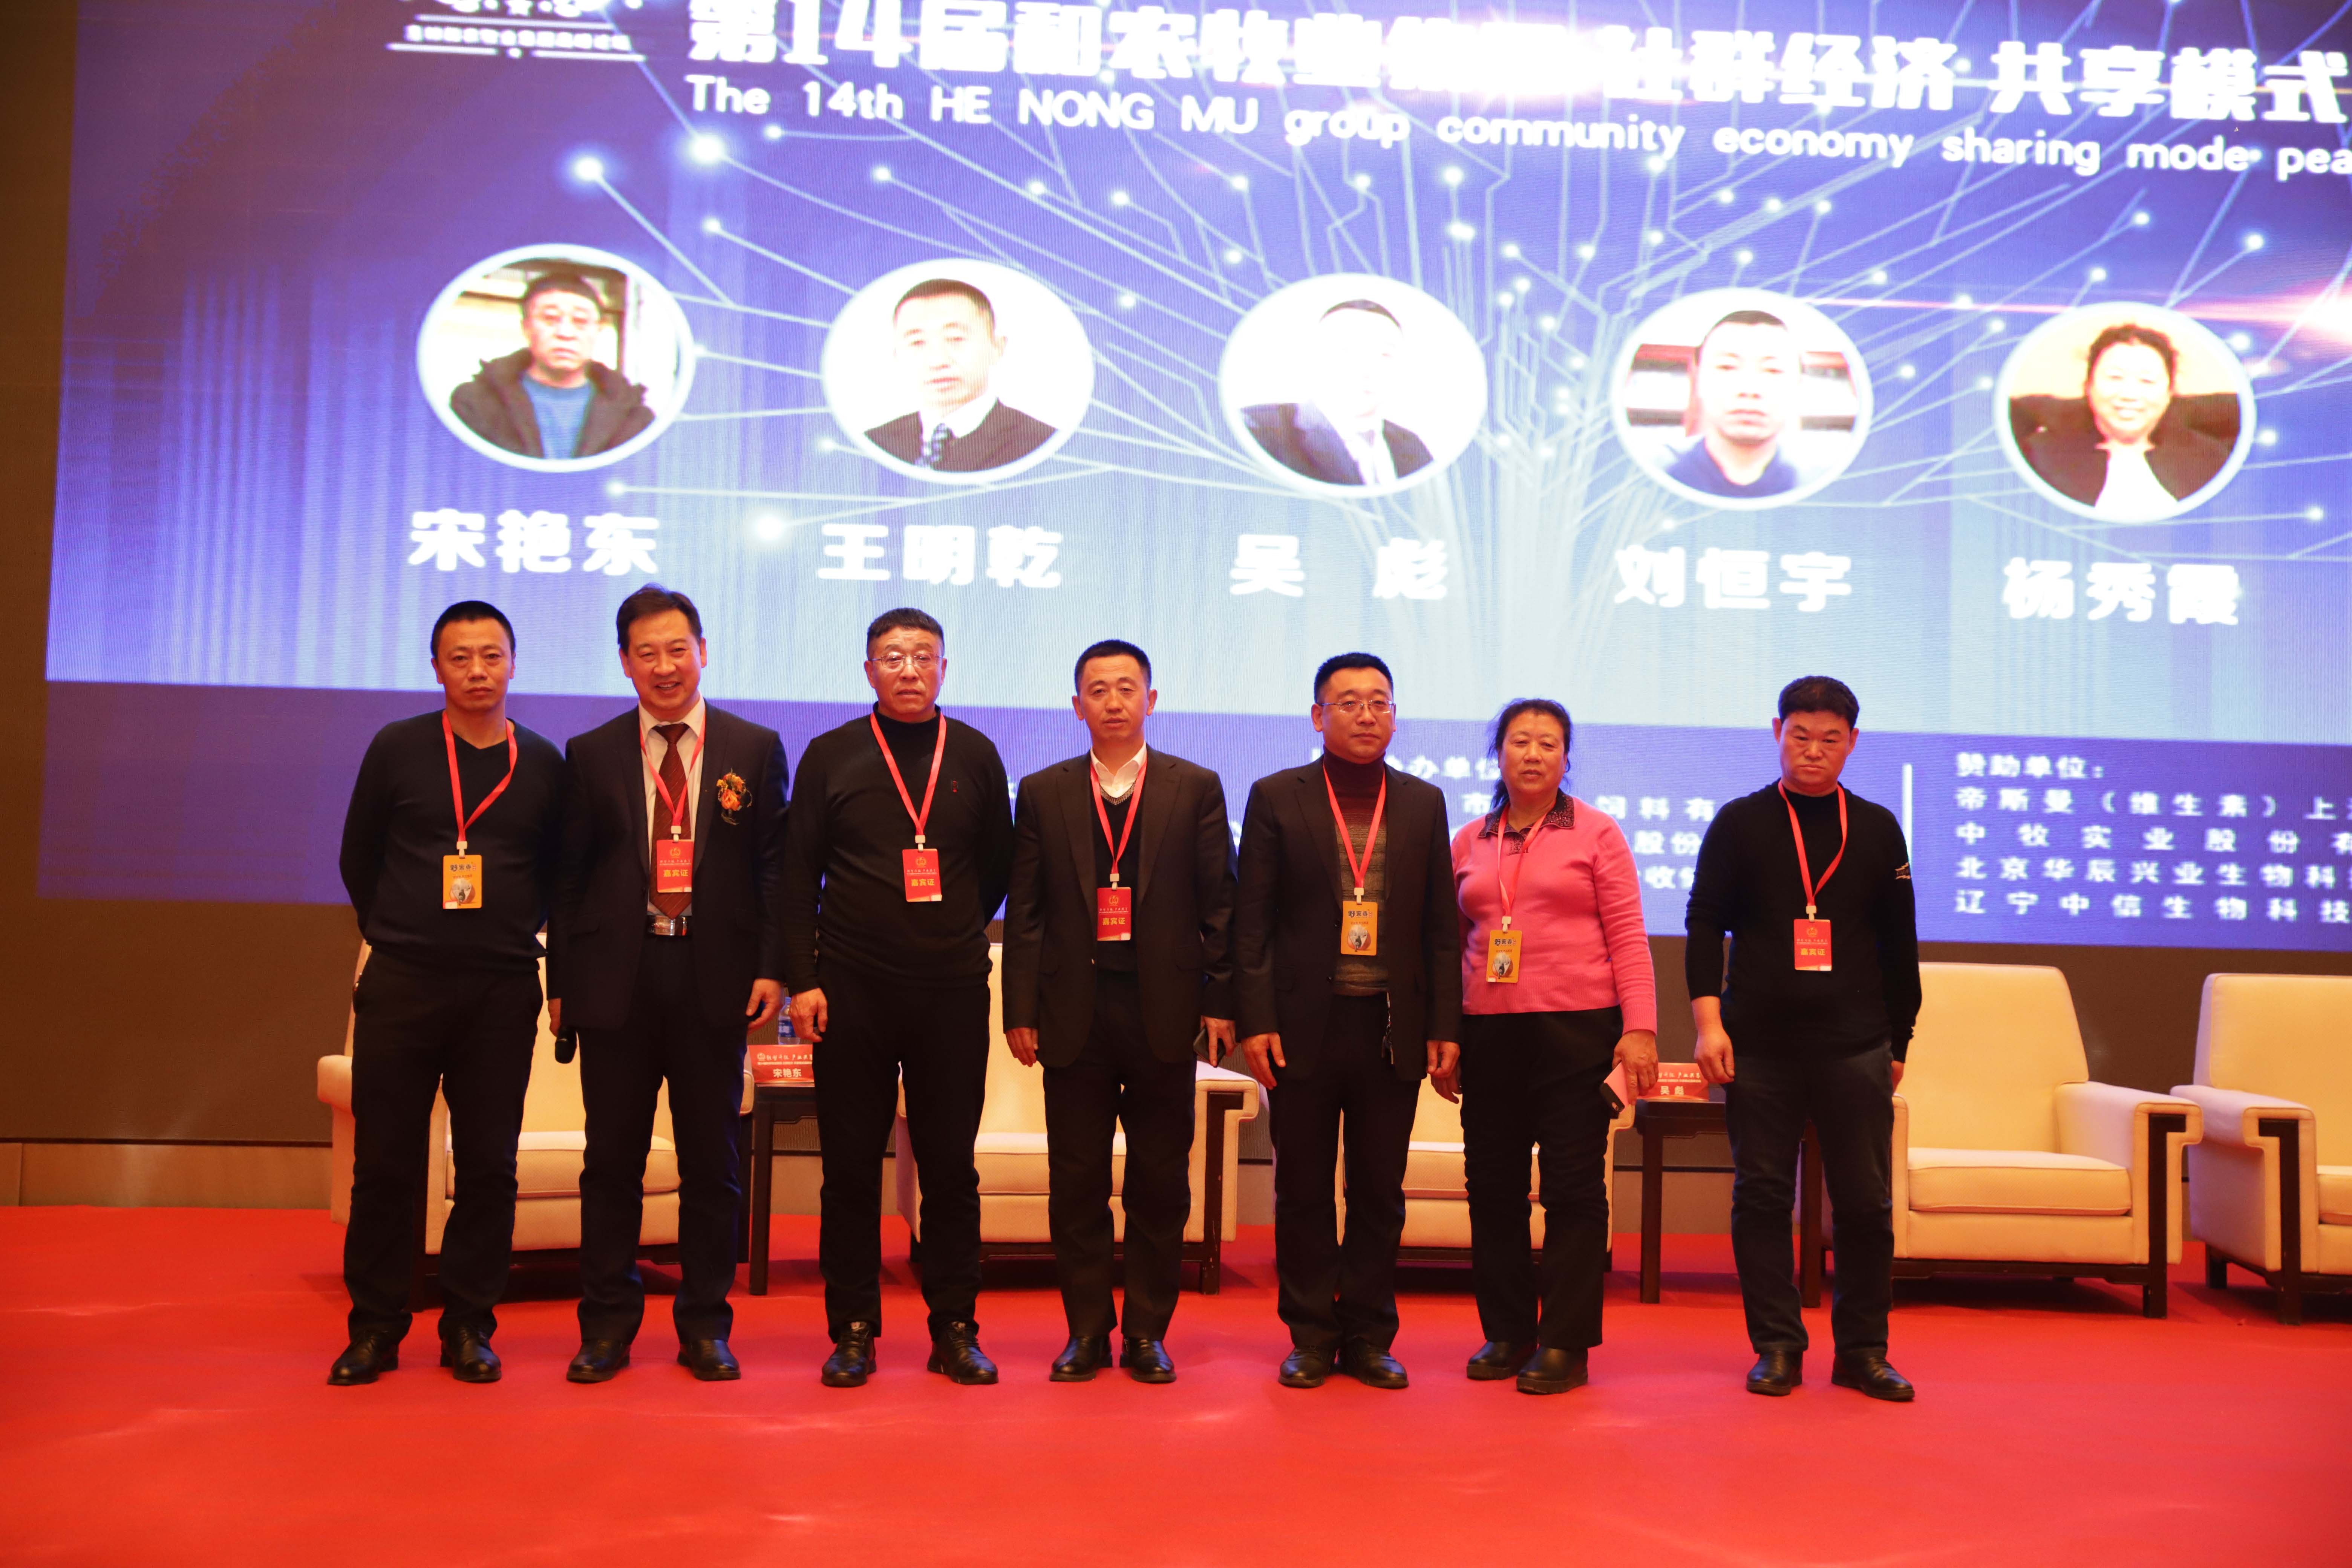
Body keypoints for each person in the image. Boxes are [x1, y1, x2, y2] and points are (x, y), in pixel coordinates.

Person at [547, 586, 788, 1384]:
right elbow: (568, 879)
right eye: (646, 653)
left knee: (712, 1164)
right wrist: (561, 983)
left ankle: (705, 1326)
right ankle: (606, 1327)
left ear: (703, 651)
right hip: (617, 978)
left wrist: (773, 967)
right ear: (625, 662)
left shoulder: (754, 748)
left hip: (712, 978)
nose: (664, 666)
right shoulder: (591, 752)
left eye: (677, 649)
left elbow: (773, 870)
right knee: (611, 1163)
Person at [331, 600, 567, 1385]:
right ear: (436, 667)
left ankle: (470, 1325)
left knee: (489, 1167)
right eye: (460, 658)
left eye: (491, 656)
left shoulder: (542, 763)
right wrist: (403, 931)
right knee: (385, 1165)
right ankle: (375, 1328)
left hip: (501, 988)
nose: (477, 671)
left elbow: (557, 876)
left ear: (513, 664)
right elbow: (359, 856)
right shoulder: (397, 747)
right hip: (404, 983)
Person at [784, 608, 1017, 1386]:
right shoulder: (831, 754)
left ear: (944, 667)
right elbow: (797, 875)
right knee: (851, 1169)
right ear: (869, 671)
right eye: (892, 657)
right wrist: (805, 979)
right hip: (851, 990)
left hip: (951, 992)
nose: (909, 670)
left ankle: (955, 1327)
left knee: (950, 1169)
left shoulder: (975, 754)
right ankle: (853, 1329)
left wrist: (950, 930)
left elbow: (996, 867)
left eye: (922, 656)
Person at [1001, 640, 1238, 1383]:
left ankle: (1145, 1332)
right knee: (1076, 1180)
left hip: (1164, 1010)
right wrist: (1019, 1007)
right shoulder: (1043, 790)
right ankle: (1086, 1330)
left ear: (1151, 700)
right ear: (1077, 706)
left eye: (1126, 688)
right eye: (1098, 690)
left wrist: (1220, 999)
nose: (1112, 701)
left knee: (1159, 1182)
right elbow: (1026, 910)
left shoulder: (1194, 787)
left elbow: (1220, 904)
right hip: (1074, 1011)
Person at [1685, 675, 1921, 1402]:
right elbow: (1704, 926)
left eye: (1830, 739)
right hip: (1758, 1046)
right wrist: (1708, 1024)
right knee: (1761, 1198)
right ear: (1777, 733)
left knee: (1865, 1204)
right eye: (1800, 735)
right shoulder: (1740, 822)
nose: (1813, 750)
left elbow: (1899, 943)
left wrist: (1900, 1040)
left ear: (1853, 743)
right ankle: (1777, 1347)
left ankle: (1864, 1352)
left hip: (1856, 1044)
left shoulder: (1877, 828)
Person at [1233, 653, 1462, 1390]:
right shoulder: (1277, 796)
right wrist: (1256, 1019)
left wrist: (1445, 1025)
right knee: (1302, 1189)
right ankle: (1309, 1333)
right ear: (1318, 716)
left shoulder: (1423, 802)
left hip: (1391, 1028)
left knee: (1378, 1191)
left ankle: (1367, 1334)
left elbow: (1441, 928)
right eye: (1350, 702)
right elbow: (1252, 923)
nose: (1367, 714)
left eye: (1380, 702)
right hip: (1302, 1026)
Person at [1446, 699, 1655, 1395]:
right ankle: (1508, 1332)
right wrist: (1446, 1036)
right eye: (1519, 742)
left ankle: (1566, 1341)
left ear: (1567, 758)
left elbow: (1628, 936)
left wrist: (1640, 1030)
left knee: (1572, 1189)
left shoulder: (1597, 832)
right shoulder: (1469, 840)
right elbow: (1450, 948)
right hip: (1489, 1034)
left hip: (1577, 1032)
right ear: (1498, 754)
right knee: (1493, 1190)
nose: (1533, 754)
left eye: (1547, 743)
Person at [2011, 322, 2233, 518]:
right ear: (2089, 387)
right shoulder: (2041, 456)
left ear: (2168, 394)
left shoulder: (2210, 458)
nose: (2129, 394)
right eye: (2115, 377)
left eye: (2147, 381)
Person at [449, 270, 654, 461]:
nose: (565, 333)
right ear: (527, 327)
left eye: (581, 321)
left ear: (598, 330)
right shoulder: (476, 404)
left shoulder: (633, 418)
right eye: (550, 319)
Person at [863, 278, 1057, 473]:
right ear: (896, 355)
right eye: (917, 342)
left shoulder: (1043, 444)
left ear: (997, 347)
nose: (938, 361)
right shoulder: (873, 444)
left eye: (956, 338)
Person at [1243, 299, 1433, 487]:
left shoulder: (1412, 446)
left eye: (1385, 355)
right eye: (1346, 350)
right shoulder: (1260, 430)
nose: (1367, 368)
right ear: (1314, 359)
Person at [1663, 308, 1805, 499]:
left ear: (1798, 386)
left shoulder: (1823, 480)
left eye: (1773, 370)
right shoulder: (1652, 473)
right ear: (1698, 380)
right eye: (1727, 367)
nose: (1749, 389)